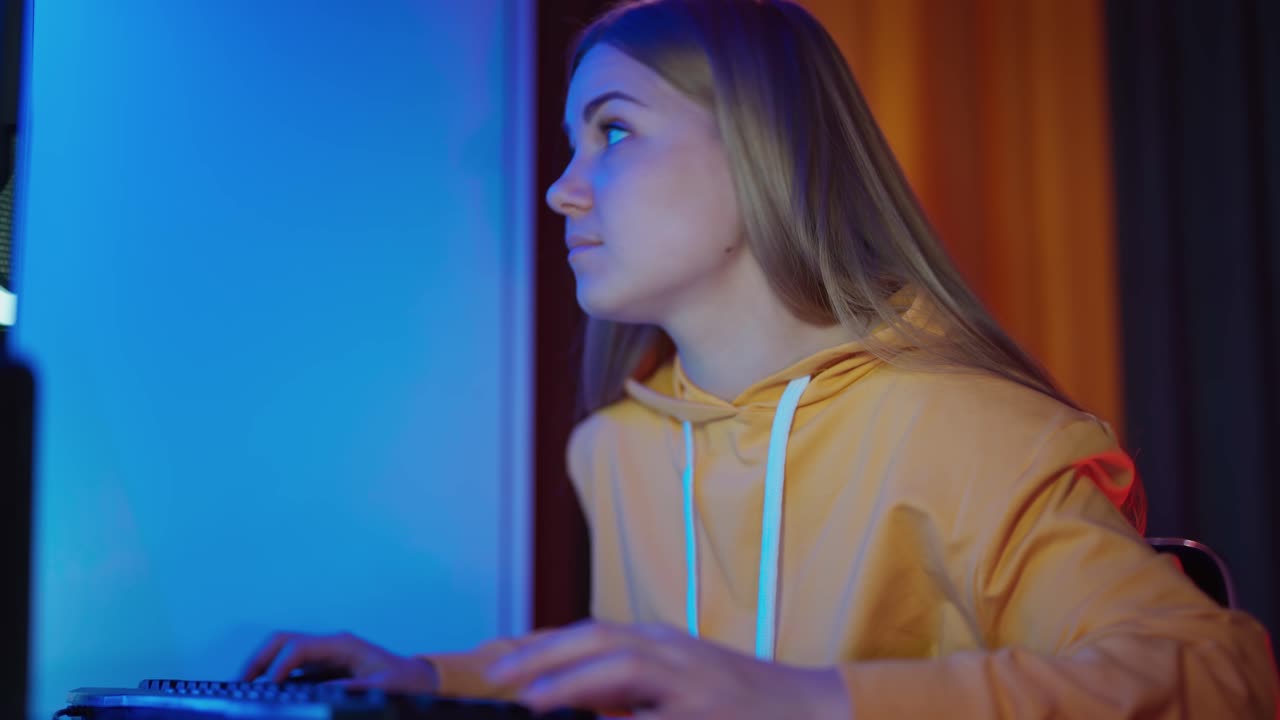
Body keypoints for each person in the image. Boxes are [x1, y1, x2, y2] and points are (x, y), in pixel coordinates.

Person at [239, 0, 1280, 716]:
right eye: (568, 145)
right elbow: (641, 672)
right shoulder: (616, 451)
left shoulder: (972, 436)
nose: (562, 189)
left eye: (610, 132)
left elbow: (1216, 679)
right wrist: (424, 680)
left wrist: (815, 703)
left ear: (760, 153)